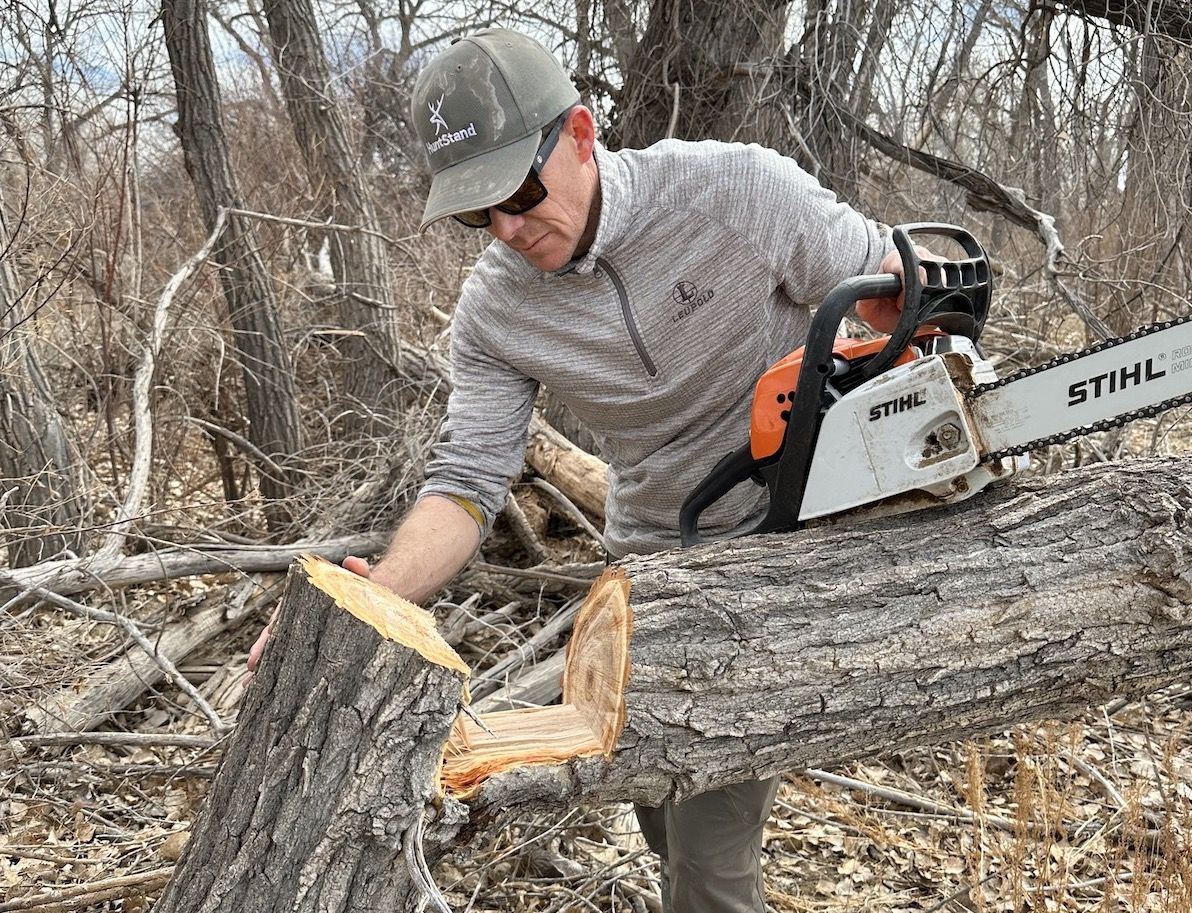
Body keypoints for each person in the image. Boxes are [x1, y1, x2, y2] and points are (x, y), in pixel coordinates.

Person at [252, 27, 911, 913]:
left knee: (709, 869)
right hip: (647, 569)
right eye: (477, 212)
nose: (509, 230)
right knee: (662, 819)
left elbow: (887, 277)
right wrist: (376, 597)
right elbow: (468, 478)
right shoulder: (494, 310)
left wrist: (913, 346)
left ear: (582, 134)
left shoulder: (733, 190)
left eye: (520, 193)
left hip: (777, 548)